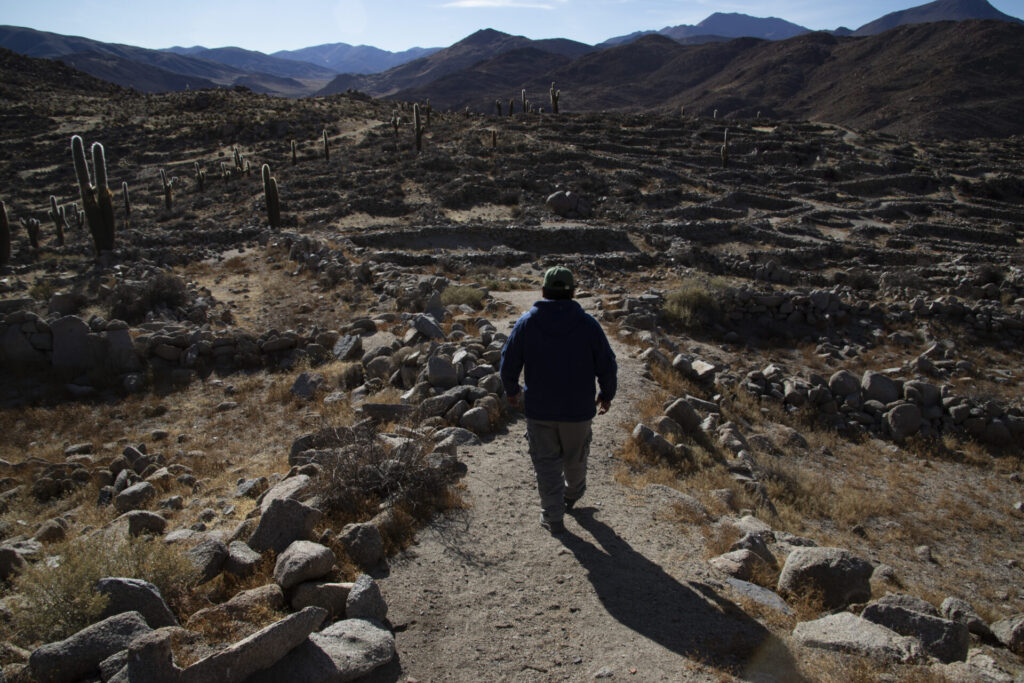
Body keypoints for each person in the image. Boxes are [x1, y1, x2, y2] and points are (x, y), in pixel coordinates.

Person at [499, 266, 617, 534]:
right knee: (576, 458)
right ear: (573, 292)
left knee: (546, 463)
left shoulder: (527, 322)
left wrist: (512, 390)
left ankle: (553, 515)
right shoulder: (588, 325)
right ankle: (572, 494)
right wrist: (606, 394)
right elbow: (607, 364)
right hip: (578, 411)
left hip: (540, 409)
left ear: (543, 291)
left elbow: (508, 361)